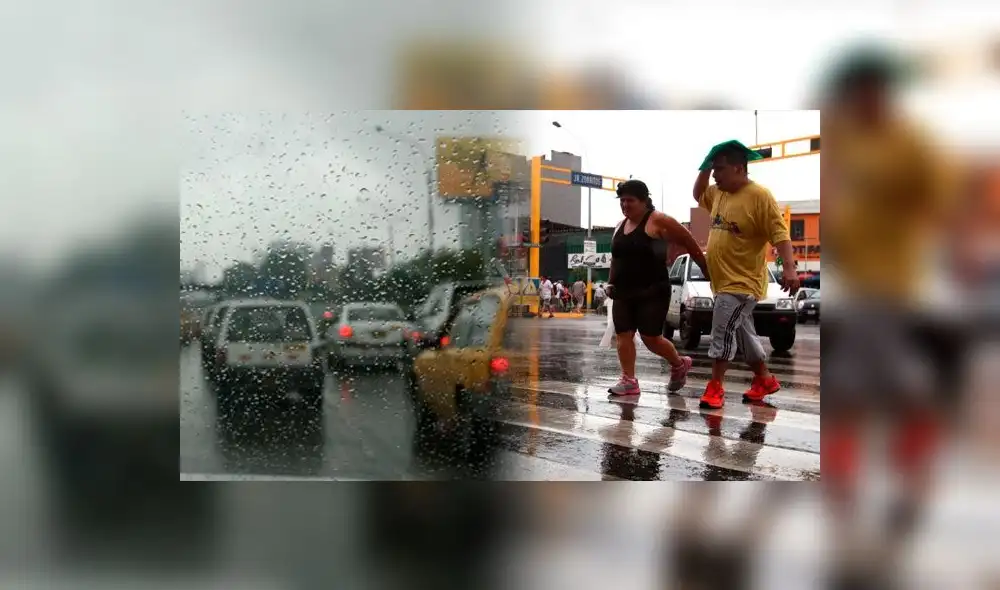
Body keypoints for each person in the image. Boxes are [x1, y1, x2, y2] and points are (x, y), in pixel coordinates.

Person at [692, 140, 799, 409]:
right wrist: (705, 166)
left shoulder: (760, 196)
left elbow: (780, 234)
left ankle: (716, 387)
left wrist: (789, 268)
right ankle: (764, 379)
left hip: (742, 282)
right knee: (743, 333)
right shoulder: (719, 193)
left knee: (722, 331)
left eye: (720, 168)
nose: (715, 175)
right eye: (713, 169)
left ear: (739, 168)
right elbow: (698, 194)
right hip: (722, 281)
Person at [606, 179, 709, 396]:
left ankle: (679, 364)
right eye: (622, 201)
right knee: (623, 334)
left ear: (644, 201)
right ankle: (629, 380)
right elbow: (616, 258)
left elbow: (689, 241)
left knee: (650, 338)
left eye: (630, 201)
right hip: (623, 290)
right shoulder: (619, 226)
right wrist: (610, 282)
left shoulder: (659, 220)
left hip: (653, 290)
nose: (625, 205)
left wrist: (705, 269)